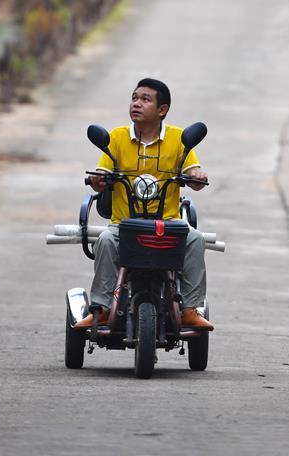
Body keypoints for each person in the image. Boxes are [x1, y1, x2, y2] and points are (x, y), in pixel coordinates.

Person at [76, 77, 213, 331]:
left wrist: (197, 177)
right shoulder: (116, 137)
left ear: (162, 110)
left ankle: (190, 309)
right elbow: (99, 179)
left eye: (145, 99)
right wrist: (98, 180)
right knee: (105, 240)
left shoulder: (179, 139)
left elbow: (194, 174)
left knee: (195, 239)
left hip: (167, 222)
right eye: (134, 98)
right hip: (123, 225)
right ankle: (102, 309)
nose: (136, 104)